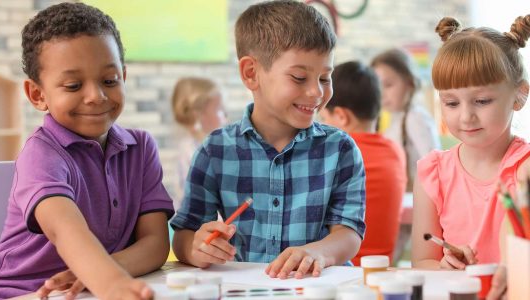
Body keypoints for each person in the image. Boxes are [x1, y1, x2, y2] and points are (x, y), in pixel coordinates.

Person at [0, 3, 173, 300]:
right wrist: (110, 283)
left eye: (109, 81)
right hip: (14, 294)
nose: (96, 96)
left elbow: (155, 244)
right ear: (38, 95)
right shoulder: (42, 154)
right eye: (74, 85)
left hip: (85, 290)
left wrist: (93, 274)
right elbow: (65, 230)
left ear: (123, 77)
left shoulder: (140, 148)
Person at [171, 0, 365, 280]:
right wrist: (195, 248)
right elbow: (185, 233)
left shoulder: (341, 149)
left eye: (325, 78)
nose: (316, 92)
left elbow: (348, 233)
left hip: (317, 288)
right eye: (299, 78)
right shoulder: (215, 151)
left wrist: (319, 252)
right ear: (251, 73)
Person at [411, 14, 530, 299]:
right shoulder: (432, 172)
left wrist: (496, 269)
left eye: (482, 101)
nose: (466, 116)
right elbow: (422, 261)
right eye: (451, 103)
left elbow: (513, 243)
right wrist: (444, 266)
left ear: (519, 96)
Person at [318, 61, 407, 266]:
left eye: (324, 118)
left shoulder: (334, 155)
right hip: (379, 272)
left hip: (339, 272)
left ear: (341, 116)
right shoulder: (395, 152)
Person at [371, 48, 441, 191]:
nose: (382, 93)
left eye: (388, 85)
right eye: (377, 86)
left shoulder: (415, 118)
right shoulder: (396, 119)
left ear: (409, 82)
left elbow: (435, 167)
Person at [171, 77, 227, 211]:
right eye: (219, 109)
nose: (225, 115)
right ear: (199, 115)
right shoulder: (193, 152)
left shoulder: (206, 146)